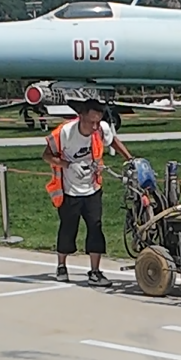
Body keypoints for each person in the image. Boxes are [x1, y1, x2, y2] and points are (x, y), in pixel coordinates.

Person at [43, 98, 132, 285]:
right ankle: (61, 265)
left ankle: (95, 272)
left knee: (95, 227)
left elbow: (113, 141)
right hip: (69, 190)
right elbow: (47, 155)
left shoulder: (101, 129)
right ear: (81, 116)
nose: (94, 127)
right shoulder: (65, 133)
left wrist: (130, 159)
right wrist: (69, 165)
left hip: (92, 187)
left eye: (97, 122)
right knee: (68, 228)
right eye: (91, 122)